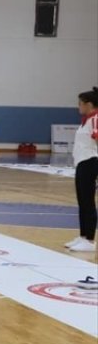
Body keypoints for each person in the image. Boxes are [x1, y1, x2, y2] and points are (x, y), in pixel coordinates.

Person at [67, 87, 98, 252]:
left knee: (88, 201)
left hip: (90, 162)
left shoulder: (95, 120)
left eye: (80, 103)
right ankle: (83, 236)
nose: (78, 106)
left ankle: (90, 240)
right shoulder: (86, 120)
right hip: (81, 163)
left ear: (89, 104)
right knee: (82, 201)